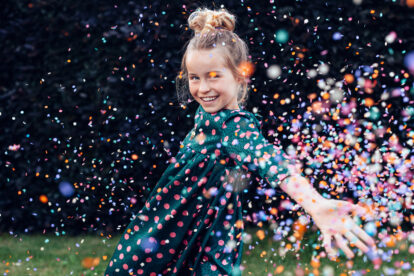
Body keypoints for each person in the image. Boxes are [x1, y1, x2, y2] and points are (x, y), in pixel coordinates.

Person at [105, 7, 376, 276]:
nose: (202, 89)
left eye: (214, 77)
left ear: (239, 76)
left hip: (203, 237)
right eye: (194, 78)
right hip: (169, 228)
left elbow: (267, 158)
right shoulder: (207, 116)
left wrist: (313, 202)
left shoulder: (233, 125)